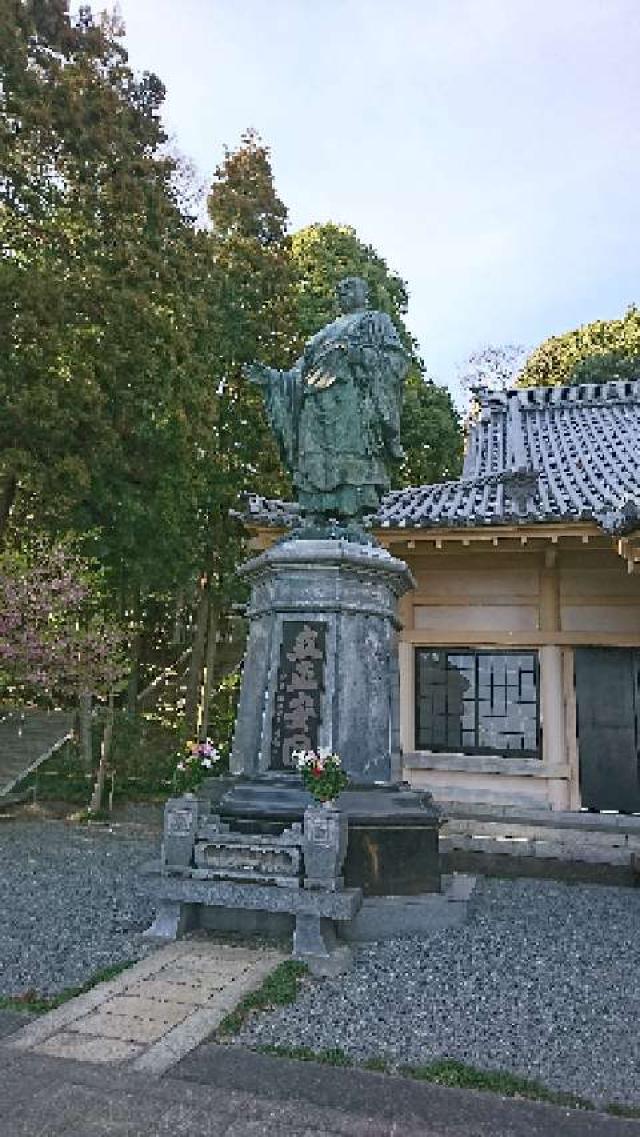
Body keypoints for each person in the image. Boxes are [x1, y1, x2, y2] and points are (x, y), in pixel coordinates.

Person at [246, 277, 409, 521]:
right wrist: (272, 379)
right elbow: (297, 375)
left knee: (351, 464)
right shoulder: (324, 333)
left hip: (349, 404)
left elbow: (396, 362)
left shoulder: (375, 321)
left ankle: (353, 518)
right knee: (313, 461)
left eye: (350, 287)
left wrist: (355, 354)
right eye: (340, 289)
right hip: (314, 404)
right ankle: (314, 514)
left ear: (365, 293)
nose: (343, 291)